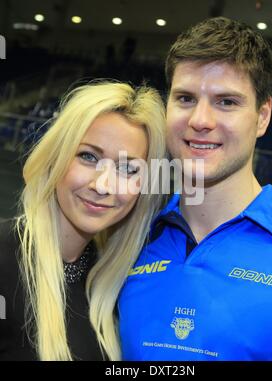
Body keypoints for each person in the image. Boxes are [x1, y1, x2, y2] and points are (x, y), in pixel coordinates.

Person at [118, 17, 272, 360]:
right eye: (185, 98)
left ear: (262, 116)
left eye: (226, 102)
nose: (200, 120)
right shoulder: (125, 239)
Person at [0, 81, 166, 361]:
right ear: (56, 157)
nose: (103, 185)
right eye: (88, 157)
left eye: (128, 169)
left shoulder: (120, 286)